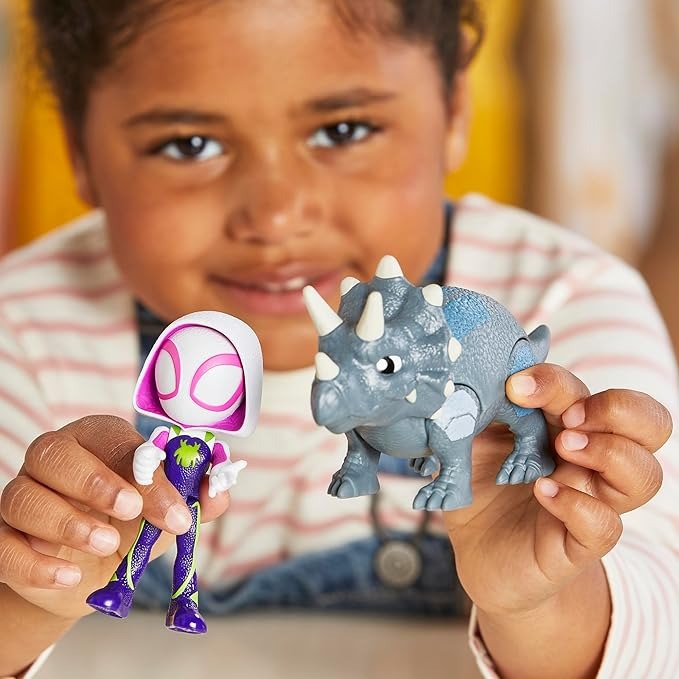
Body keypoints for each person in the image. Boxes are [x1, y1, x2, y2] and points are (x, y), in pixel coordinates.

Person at [0, 2, 676, 678]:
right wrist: (31, 592)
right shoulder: (24, 327)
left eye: (342, 131)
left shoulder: (565, 301)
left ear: (453, 112)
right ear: (79, 151)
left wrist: (542, 602)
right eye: (189, 144)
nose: (276, 216)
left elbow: (661, 640)